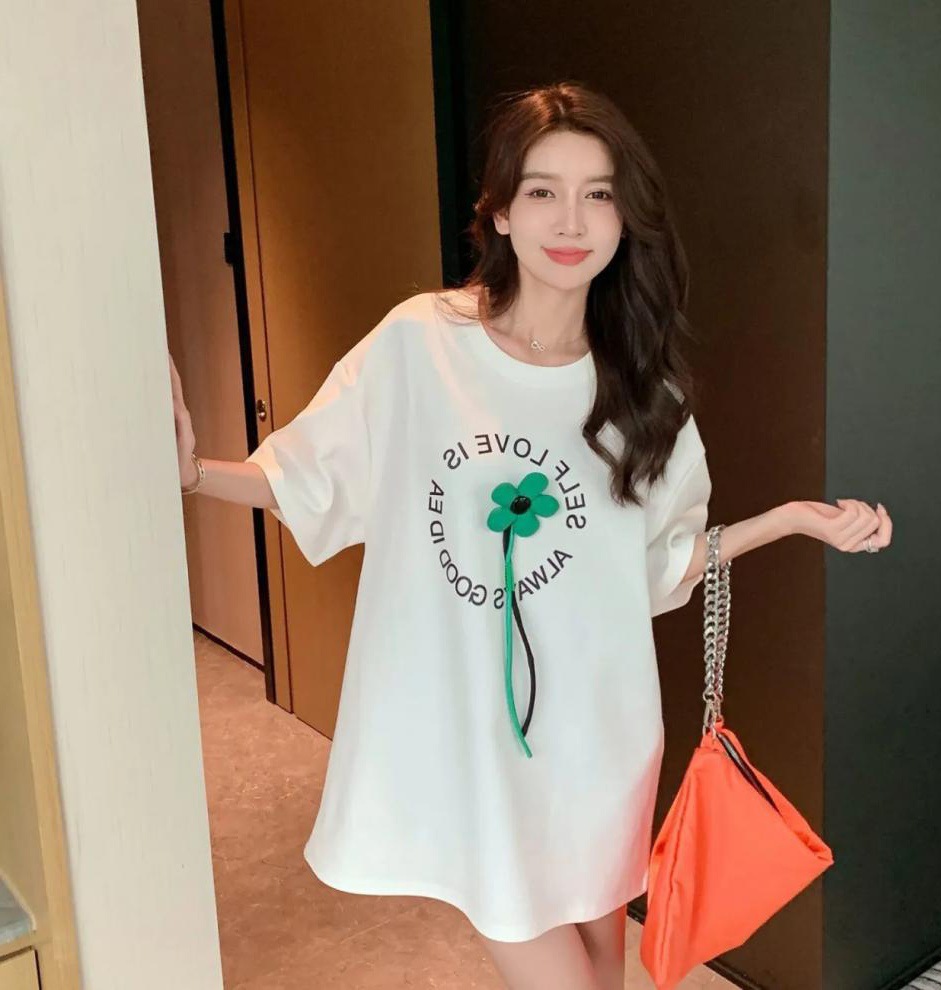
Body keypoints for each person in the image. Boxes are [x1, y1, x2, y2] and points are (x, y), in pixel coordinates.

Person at [169, 82, 892, 990]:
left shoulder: (646, 392)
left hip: (601, 736)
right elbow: (309, 478)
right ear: (502, 213)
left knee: (602, 966)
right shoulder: (422, 344)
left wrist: (787, 521)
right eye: (543, 190)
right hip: (476, 738)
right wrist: (193, 475)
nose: (572, 219)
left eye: (599, 193)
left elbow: (658, 571)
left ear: (625, 218)